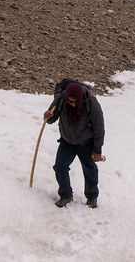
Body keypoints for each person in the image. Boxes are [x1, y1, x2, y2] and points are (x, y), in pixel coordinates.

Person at [44, 79, 106, 208]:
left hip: (86, 143)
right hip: (67, 141)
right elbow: (52, 118)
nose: (72, 104)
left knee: (90, 170)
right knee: (60, 167)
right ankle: (66, 195)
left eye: (75, 101)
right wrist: (47, 116)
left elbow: (99, 127)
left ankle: (92, 197)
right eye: (70, 101)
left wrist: (97, 149)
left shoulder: (91, 103)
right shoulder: (61, 99)